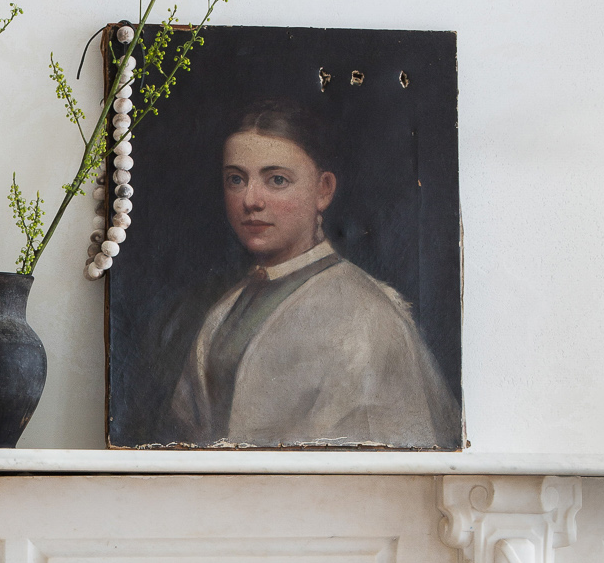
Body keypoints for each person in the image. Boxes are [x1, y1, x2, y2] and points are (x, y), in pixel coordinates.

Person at [168, 99, 460, 447]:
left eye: (276, 179)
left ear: (323, 190)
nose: (251, 200)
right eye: (236, 179)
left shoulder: (366, 316)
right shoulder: (225, 311)